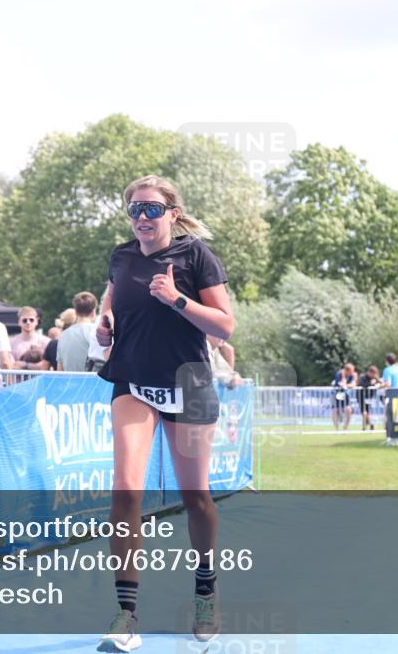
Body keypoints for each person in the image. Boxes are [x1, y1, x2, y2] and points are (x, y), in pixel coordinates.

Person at [95, 175, 233, 649]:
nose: (141, 218)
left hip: (189, 383)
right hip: (133, 379)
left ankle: (205, 590)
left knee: (195, 496)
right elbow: (113, 298)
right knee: (125, 490)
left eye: (152, 209)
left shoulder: (196, 256)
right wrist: (105, 322)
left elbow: (226, 326)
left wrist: (177, 299)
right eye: (134, 210)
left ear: (172, 213)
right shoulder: (122, 256)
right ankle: (126, 614)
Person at [57, 291, 98, 371]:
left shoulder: (63, 335)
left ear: (75, 311)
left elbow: (60, 370)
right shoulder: (98, 332)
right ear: (93, 312)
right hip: (94, 382)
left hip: (69, 382)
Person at [331, 363, 358, 430]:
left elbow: (353, 384)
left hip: (345, 394)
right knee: (335, 410)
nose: (352, 373)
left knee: (348, 410)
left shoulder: (352, 375)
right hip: (337, 394)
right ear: (347, 370)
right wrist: (344, 377)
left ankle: (345, 428)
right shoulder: (339, 374)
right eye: (351, 371)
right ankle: (336, 428)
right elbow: (341, 384)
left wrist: (346, 385)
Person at [357, 365, 383, 430]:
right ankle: (365, 426)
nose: (374, 375)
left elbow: (381, 383)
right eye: (374, 374)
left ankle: (368, 425)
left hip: (369, 397)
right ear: (370, 372)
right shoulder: (363, 377)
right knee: (364, 412)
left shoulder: (375, 378)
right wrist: (371, 384)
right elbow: (361, 384)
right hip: (361, 396)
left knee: (366, 412)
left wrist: (377, 382)